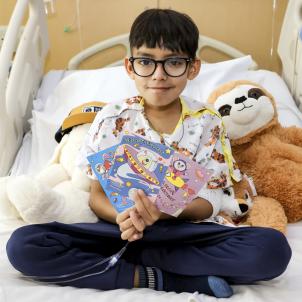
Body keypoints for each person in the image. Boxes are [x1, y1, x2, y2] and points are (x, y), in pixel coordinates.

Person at [6, 8, 291, 298]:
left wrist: (166, 211)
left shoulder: (208, 121)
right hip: (118, 231)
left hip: (186, 234)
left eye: (174, 63)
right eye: (146, 62)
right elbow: (96, 195)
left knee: (272, 249)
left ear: (193, 68)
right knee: (24, 245)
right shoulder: (111, 119)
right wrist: (126, 217)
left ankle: (133, 268)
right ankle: (171, 279)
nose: (159, 75)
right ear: (129, 67)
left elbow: (212, 201)